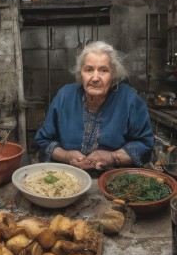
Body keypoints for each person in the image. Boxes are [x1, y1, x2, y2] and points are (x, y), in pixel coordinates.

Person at [34, 41, 154, 171]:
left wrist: (113, 157)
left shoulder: (130, 100)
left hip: (113, 178)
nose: (95, 78)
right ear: (81, 73)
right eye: (89, 69)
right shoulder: (65, 96)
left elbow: (145, 144)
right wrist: (67, 156)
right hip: (68, 176)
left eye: (103, 70)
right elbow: (44, 141)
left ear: (113, 75)